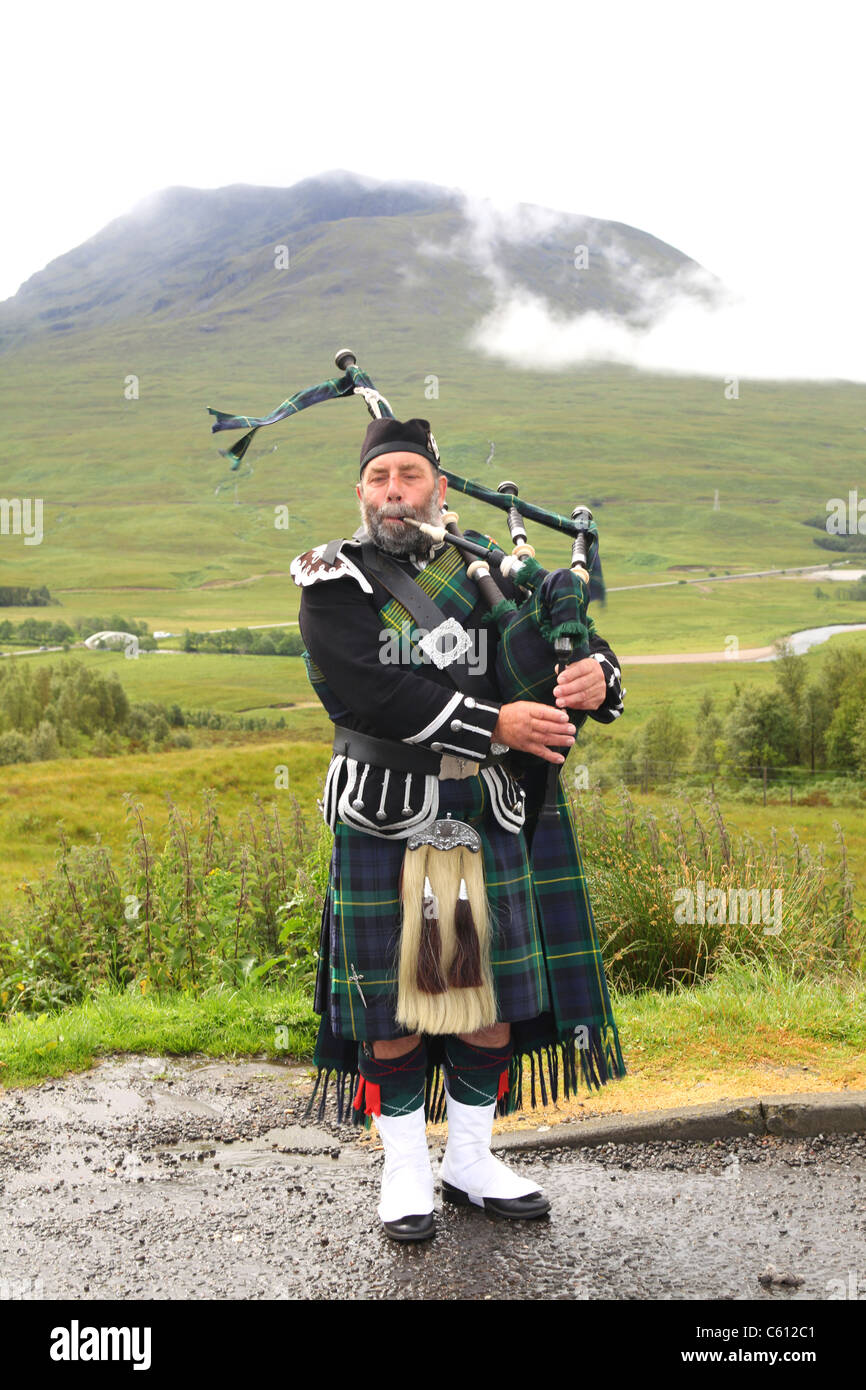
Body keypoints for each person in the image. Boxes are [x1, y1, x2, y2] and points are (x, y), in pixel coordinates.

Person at [290, 416, 626, 1242]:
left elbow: (560, 629)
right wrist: (497, 727)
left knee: (487, 1001)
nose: (394, 492)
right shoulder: (334, 580)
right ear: (361, 493)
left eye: (410, 476)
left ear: (439, 487)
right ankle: (404, 1167)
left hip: (482, 810)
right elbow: (370, 694)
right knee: (393, 1008)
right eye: (379, 479)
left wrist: (598, 675)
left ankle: (470, 1159)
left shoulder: (488, 568)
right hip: (384, 812)